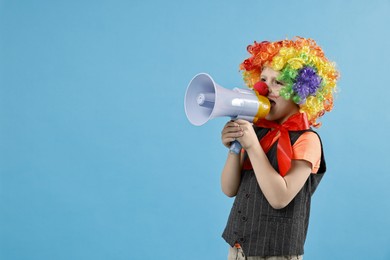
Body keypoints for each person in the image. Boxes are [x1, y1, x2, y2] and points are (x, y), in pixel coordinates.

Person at [220, 37, 339, 260]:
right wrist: (234, 149)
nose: (264, 88)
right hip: (238, 249)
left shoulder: (307, 140)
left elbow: (280, 198)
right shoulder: (257, 131)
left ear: (301, 90)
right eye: (263, 79)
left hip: (276, 253)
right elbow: (229, 189)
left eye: (278, 82)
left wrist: (253, 146)